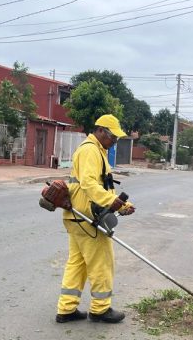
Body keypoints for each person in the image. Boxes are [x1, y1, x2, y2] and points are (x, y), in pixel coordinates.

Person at [56, 114, 135, 324]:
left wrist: (122, 204)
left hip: (76, 217)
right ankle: (101, 309)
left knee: (77, 263)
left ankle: (66, 308)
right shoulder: (91, 150)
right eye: (113, 138)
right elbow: (90, 185)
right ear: (100, 131)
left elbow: (100, 185)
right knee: (102, 263)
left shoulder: (93, 149)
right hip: (88, 218)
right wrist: (112, 202)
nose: (114, 142)